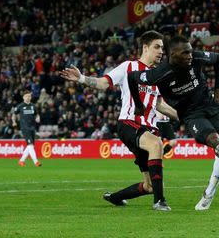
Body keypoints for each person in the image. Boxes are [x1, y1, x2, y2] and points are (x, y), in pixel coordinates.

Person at [128, 35, 219, 211]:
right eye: (185, 52)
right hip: (192, 115)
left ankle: (208, 195)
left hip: (211, 108)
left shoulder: (195, 57)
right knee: (216, 141)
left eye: (190, 50)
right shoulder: (159, 73)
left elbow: (218, 59)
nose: (190, 55)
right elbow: (132, 77)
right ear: (173, 54)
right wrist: (138, 104)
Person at [60, 31, 177, 211]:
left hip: (150, 129)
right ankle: (160, 202)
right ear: (145, 48)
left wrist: (183, 115)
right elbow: (102, 83)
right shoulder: (128, 67)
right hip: (130, 123)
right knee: (156, 145)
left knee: (149, 186)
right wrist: (81, 78)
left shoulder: (158, 76)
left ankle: (115, 198)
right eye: (157, 47)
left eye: (162, 47)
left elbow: (160, 105)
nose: (161, 51)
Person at [12, 90, 42, 167]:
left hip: (32, 127)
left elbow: (37, 114)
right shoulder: (20, 106)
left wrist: (38, 118)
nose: (28, 97)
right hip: (25, 127)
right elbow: (14, 114)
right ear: (23, 97)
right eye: (26, 96)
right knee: (30, 145)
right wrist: (14, 121)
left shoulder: (33, 106)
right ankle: (36, 162)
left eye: (29, 96)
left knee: (30, 146)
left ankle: (21, 161)